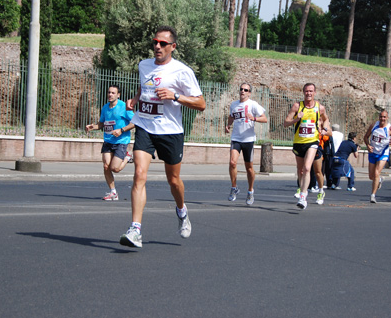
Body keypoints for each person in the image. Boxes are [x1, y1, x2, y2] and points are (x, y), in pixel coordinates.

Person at [120, 26, 206, 248]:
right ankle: (135, 230)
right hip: (145, 127)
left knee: (173, 181)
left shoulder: (182, 71)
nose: (157, 46)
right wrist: (135, 99)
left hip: (170, 132)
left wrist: (175, 96)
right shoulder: (144, 65)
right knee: (139, 174)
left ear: (173, 47)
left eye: (163, 43)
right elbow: (145, 87)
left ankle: (182, 211)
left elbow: (201, 103)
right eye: (155, 42)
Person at [284, 83, 330, 209]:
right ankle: (302, 188)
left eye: (311, 91)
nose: (308, 93)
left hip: (313, 141)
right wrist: (296, 119)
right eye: (306, 91)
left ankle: (303, 196)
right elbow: (285, 123)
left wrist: (324, 128)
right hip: (299, 142)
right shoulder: (297, 106)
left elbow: (325, 119)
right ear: (303, 92)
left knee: (307, 168)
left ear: (315, 93)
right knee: (300, 170)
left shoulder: (319, 107)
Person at [85, 85, 135, 201]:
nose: (110, 95)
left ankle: (128, 156)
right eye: (109, 92)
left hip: (121, 141)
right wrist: (93, 126)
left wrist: (121, 130)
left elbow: (135, 123)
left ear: (118, 95)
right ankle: (113, 192)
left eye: (113, 93)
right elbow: (102, 123)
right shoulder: (105, 108)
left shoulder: (124, 107)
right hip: (108, 140)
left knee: (115, 168)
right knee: (106, 166)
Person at [225, 83, 267, 205]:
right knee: (232, 162)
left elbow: (264, 118)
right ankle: (234, 187)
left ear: (249, 93)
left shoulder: (253, 105)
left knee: (249, 168)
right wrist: (228, 125)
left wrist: (254, 118)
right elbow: (231, 116)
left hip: (248, 140)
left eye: (246, 90)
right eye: (241, 89)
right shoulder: (234, 104)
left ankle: (250, 191)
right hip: (236, 138)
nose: (243, 91)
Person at [363, 110, 391, 203]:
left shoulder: (390, 128)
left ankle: (373, 195)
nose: (382, 119)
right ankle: (380, 180)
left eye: (384, 117)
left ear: (387, 118)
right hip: (373, 152)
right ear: (379, 117)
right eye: (381, 117)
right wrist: (368, 145)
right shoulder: (373, 126)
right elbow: (366, 137)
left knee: (377, 173)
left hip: (383, 152)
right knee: (371, 176)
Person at [328, 123, 345, 189]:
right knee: (338, 168)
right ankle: (336, 183)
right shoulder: (341, 134)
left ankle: (330, 181)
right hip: (339, 152)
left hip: (330, 152)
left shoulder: (330, 133)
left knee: (330, 167)